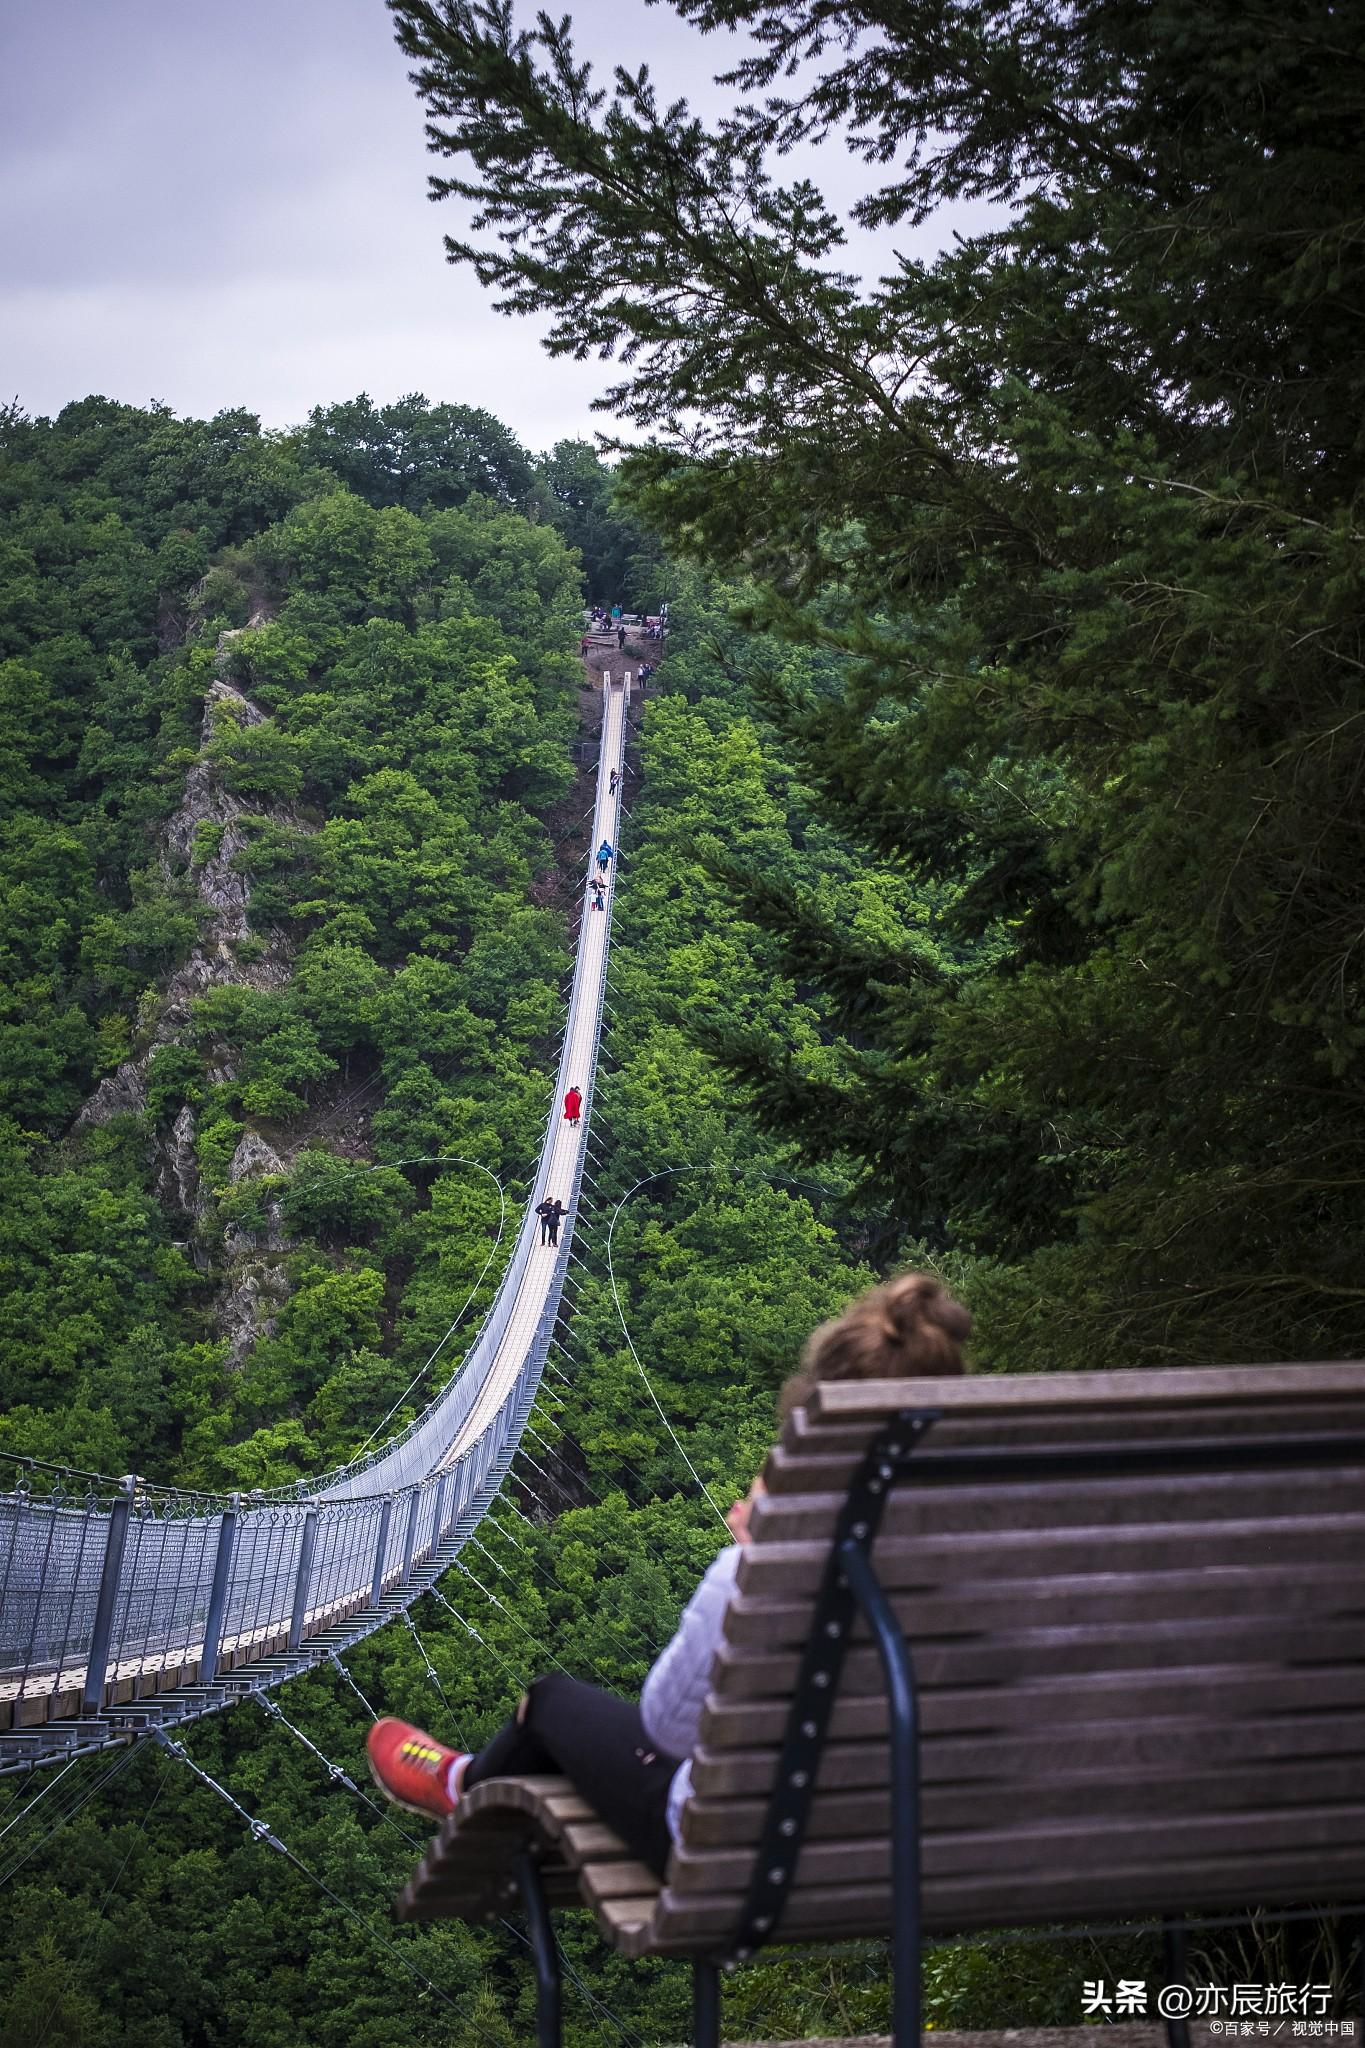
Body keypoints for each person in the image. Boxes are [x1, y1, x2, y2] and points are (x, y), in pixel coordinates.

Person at [366, 1272, 971, 1876]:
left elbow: (666, 1727)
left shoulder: (757, 1579)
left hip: (745, 1860)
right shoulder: (998, 1569)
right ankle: (471, 1783)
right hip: (909, 1859)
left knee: (551, 1704)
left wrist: (760, 1554)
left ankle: (460, 1782)